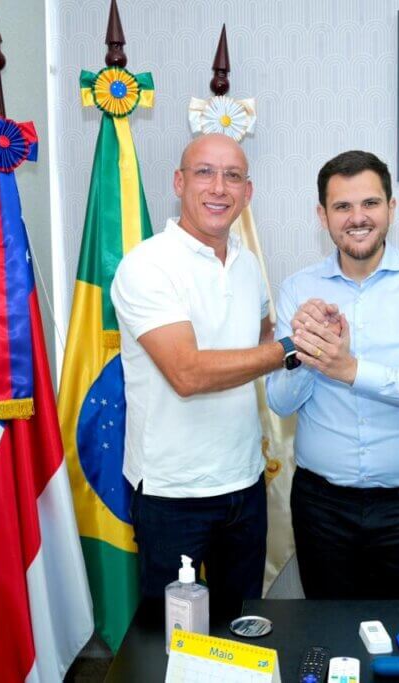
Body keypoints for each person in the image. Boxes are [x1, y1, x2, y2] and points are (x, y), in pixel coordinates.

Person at [111, 133, 301, 607]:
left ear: (247, 192)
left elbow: (261, 338)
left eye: (232, 176)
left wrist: (308, 328)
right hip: (172, 494)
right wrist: (291, 349)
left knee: (241, 627)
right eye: (204, 173)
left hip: (245, 482)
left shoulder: (247, 263)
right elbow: (188, 374)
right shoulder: (147, 265)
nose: (219, 187)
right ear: (179, 182)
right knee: (172, 637)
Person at [266, 150, 399, 599]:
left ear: (391, 208)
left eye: (370, 203)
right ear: (323, 216)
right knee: (328, 631)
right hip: (322, 508)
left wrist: (350, 369)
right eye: (342, 206)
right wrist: (310, 350)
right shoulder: (298, 290)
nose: (357, 218)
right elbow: (279, 401)